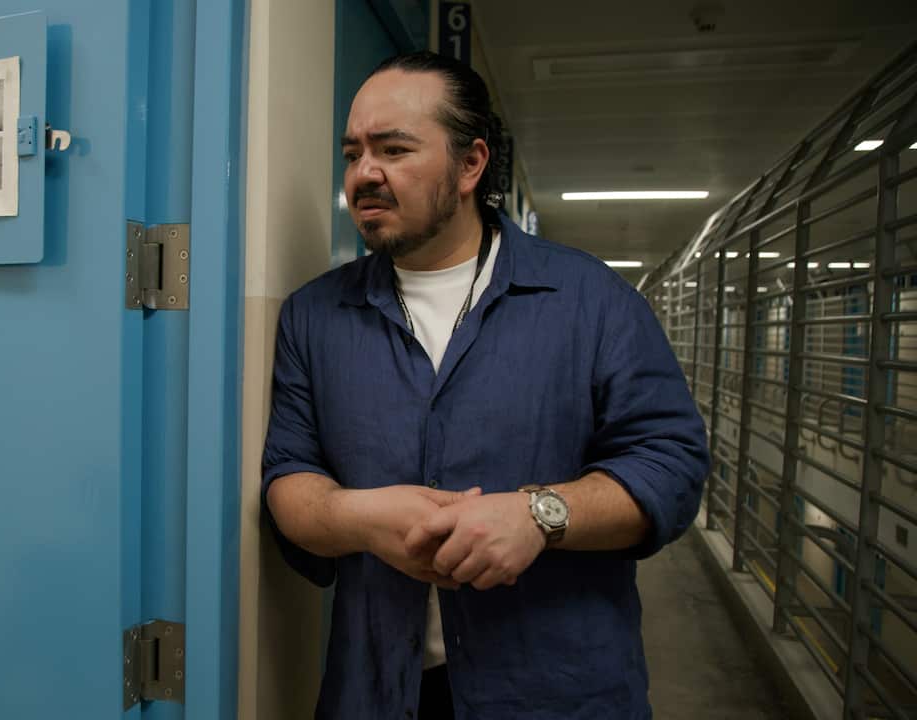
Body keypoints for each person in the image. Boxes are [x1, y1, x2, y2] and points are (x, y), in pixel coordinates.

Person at [261, 51, 709, 720]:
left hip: (554, 690)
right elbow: (288, 475)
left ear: (471, 165)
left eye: (393, 149)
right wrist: (363, 518)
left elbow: (671, 464)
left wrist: (539, 515)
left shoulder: (590, 300)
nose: (364, 175)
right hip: (378, 690)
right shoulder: (314, 316)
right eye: (352, 153)